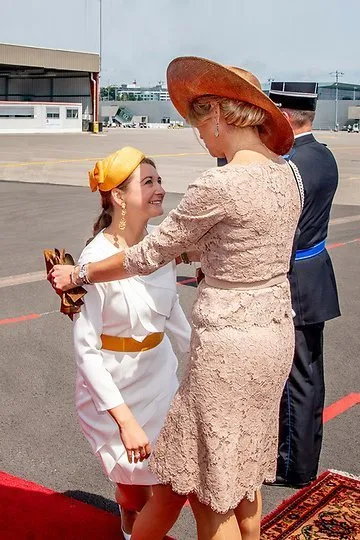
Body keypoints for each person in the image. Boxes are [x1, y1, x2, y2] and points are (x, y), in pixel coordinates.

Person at [49, 57, 302, 540]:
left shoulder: (220, 182)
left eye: (199, 124)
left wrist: (79, 272)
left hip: (229, 347)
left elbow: (149, 255)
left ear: (221, 117)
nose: (200, 138)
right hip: (273, 336)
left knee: (208, 491)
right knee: (237, 471)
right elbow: (223, 244)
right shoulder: (286, 176)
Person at [70, 146, 191, 539]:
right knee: (133, 487)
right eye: (149, 182)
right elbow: (86, 350)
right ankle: (127, 512)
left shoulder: (160, 244)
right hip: (114, 386)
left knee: (168, 482)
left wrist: (204, 360)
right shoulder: (96, 258)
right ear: (119, 197)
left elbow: (171, 311)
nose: (160, 189)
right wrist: (125, 422)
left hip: (160, 377)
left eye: (159, 180)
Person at [267, 82, 341, 488]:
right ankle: (294, 459)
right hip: (313, 277)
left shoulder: (292, 165)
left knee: (297, 378)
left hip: (297, 281)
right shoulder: (320, 155)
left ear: (285, 115)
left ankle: (293, 466)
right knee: (305, 373)